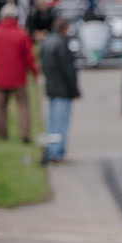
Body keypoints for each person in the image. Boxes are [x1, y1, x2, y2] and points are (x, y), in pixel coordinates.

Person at [0, 3, 38, 142]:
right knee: (23, 106)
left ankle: (1, 135)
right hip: (18, 78)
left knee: (1, 107)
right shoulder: (21, 34)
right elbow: (29, 57)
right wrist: (34, 72)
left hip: (0, 78)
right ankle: (24, 133)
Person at [39, 17, 79, 163]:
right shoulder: (62, 44)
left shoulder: (47, 42)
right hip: (63, 89)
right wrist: (75, 90)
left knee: (52, 122)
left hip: (51, 87)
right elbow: (69, 69)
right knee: (61, 124)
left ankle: (50, 150)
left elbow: (43, 65)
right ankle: (58, 153)